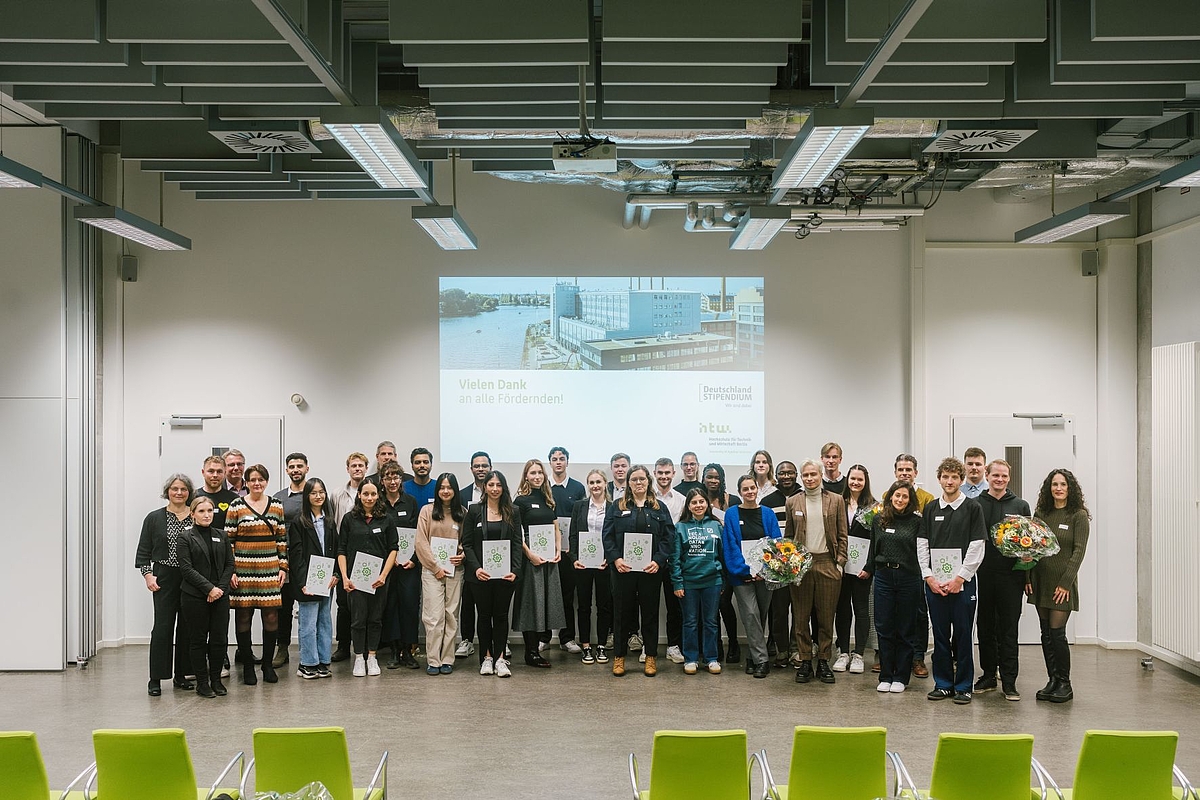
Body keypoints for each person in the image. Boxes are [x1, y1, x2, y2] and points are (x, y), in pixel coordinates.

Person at [918, 457, 986, 705]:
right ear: (939, 479)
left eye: (954, 477)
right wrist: (929, 576)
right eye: (945, 477)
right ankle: (944, 684)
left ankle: (964, 686)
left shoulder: (972, 508)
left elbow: (977, 546)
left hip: (963, 584)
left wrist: (960, 578)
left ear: (961, 479)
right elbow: (922, 544)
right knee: (939, 635)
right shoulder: (931, 509)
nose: (949, 481)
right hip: (935, 585)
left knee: (963, 635)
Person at [603, 464, 673, 677]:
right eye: (634, 480)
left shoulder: (659, 507)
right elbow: (607, 536)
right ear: (628, 483)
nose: (638, 483)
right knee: (622, 614)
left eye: (642, 479)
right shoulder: (617, 506)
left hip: (650, 570)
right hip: (623, 570)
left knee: (650, 614)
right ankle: (619, 657)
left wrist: (659, 561)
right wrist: (615, 559)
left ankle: (650, 656)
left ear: (648, 481)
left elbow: (669, 537)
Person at [1027, 468, 1091, 703]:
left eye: (1063, 484)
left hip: (1061, 585)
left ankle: (1065, 683)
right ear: (1049, 488)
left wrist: (1065, 583)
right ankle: (1052, 680)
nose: (1059, 488)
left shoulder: (1078, 515)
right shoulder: (1041, 513)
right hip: (1040, 581)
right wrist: (1028, 578)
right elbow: (1031, 548)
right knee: (1045, 634)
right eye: (1055, 484)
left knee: (1057, 634)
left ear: (1070, 488)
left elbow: (1078, 551)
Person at [786, 459, 848, 685]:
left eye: (813, 474)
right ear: (801, 478)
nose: (809, 478)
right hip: (801, 564)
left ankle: (823, 660)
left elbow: (843, 534)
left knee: (825, 617)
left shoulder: (836, 500)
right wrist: (790, 565)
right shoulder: (792, 501)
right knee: (801, 617)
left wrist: (839, 563)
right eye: (805, 475)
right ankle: (804, 660)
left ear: (821, 475)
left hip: (827, 564)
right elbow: (789, 538)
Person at [974, 459, 1031, 700]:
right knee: (985, 627)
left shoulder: (1020, 505)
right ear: (987, 476)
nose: (999, 479)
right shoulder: (975, 504)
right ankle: (988, 675)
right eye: (995, 475)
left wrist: (1028, 576)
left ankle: (1009, 681)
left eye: (1004, 476)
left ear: (1009, 478)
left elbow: (1029, 545)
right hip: (982, 575)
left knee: (1009, 629)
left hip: (1012, 577)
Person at [225, 464, 288, 685]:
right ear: (246, 482)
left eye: (261, 479)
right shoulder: (236, 505)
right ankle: (248, 668)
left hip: (269, 567)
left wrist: (283, 568)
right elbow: (228, 541)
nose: (257, 483)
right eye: (252, 479)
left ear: (267, 481)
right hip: (242, 569)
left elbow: (281, 538)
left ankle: (268, 665)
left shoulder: (276, 506)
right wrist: (230, 570)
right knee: (243, 616)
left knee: (271, 617)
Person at [135, 473, 196, 696]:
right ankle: (156, 679)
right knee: (162, 628)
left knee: (187, 628)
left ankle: (182, 675)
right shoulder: (154, 518)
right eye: (174, 489)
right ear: (167, 491)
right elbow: (143, 553)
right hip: (164, 577)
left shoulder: (196, 515)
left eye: (183, 489)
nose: (179, 493)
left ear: (189, 492)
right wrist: (148, 576)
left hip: (191, 577)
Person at [461, 470, 524, 678]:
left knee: (501, 616)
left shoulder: (513, 511)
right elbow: (467, 544)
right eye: (491, 485)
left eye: (498, 485)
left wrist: (515, 570)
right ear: (484, 487)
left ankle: (500, 659)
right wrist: (476, 568)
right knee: (484, 616)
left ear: (503, 487)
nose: (495, 489)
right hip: (480, 576)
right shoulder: (474, 511)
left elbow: (517, 543)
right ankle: (486, 658)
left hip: (505, 576)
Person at [863, 481, 923, 694]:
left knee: (906, 629)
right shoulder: (879, 519)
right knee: (884, 627)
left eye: (905, 497)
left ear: (910, 500)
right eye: (896, 495)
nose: (900, 500)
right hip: (884, 577)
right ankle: (886, 675)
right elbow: (872, 548)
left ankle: (901, 677)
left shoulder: (917, 522)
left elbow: (922, 552)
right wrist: (867, 568)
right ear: (890, 497)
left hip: (909, 577)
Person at [721, 474, 783, 679]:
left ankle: (752, 657)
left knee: (760, 616)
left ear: (757, 489)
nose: (749, 492)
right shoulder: (731, 514)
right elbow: (730, 546)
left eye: (752, 488)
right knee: (750, 614)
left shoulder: (767, 514)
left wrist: (764, 570)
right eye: (745, 489)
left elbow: (776, 544)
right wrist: (745, 571)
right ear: (739, 492)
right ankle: (762, 661)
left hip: (765, 575)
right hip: (742, 576)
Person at [337, 481, 398, 678]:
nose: (369, 498)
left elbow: (393, 549)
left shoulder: (386, 520)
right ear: (359, 496)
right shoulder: (349, 519)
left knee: (375, 619)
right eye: (366, 494)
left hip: (379, 579)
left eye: (373, 494)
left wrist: (383, 575)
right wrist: (345, 577)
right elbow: (341, 550)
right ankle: (359, 657)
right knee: (357, 620)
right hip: (355, 580)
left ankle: (372, 656)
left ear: (378, 496)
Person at [178, 495, 234, 698]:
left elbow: (229, 564)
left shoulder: (222, 535)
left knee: (219, 640)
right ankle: (203, 683)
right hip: (195, 596)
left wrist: (219, 589)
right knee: (198, 640)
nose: (206, 515)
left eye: (210, 511)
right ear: (192, 514)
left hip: (220, 596)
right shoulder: (185, 537)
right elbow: (186, 568)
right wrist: (209, 589)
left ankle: (216, 680)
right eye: (201, 511)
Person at [512, 459, 566, 668]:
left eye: (540, 473)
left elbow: (555, 528)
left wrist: (558, 549)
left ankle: (539, 647)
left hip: (549, 561)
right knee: (531, 604)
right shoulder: (521, 501)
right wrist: (529, 555)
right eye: (532, 473)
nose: (536, 476)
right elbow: (517, 534)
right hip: (531, 562)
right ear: (526, 476)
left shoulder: (547, 499)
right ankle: (531, 652)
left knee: (545, 603)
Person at [415, 472, 466, 674]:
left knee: (451, 616)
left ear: (455, 490)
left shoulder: (462, 513)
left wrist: (461, 555)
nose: (446, 491)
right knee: (433, 617)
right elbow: (421, 542)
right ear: (438, 491)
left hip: (455, 571)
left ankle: (447, 659)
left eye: (450, 488)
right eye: (442, 488)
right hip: (431, 572)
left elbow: (465, 541)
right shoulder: (427, 511)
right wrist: (435, 567)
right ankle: (433, 660)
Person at [289, 478, 339, 680]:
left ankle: (323, 661)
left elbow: (336, 550)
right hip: (308, 581)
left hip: (326, 579)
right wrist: (302, 583)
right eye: (313, 493)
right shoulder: (299, 522)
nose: (318, 496)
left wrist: (335, 574)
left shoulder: (329, 521)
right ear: (306, 496)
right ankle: (308, 663)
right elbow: (296, 555)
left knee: (324, 621)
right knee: (308, 623)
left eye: (321, 492)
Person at [672, 488, 725, 675]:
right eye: (694, 502)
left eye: (701, 501)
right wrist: (677, 583)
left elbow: (722, 555)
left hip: (713, 581)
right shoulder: (680, 527)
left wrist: (722, 581)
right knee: (690, 622)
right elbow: (675, 558)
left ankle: (711, 658)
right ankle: (691, 659)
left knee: (711, 622)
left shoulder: (716, 525)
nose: (698, 505)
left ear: (707, 504)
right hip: (688, 583)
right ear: (688, 506)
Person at [894, 453, 934, 679]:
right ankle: (895, 655)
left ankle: (918, 657)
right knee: (895, 612)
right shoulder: (888, 495)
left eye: (909, 470)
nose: (905, 473)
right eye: (901, 470)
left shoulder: (927, 498)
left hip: (918, 565)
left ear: (916, 473)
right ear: (895, 472)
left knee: (919, 612)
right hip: (895, 564)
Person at [379, 462, 422, 670]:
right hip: (386, 567)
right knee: (390, 606)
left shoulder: (411, 502)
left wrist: (413, 559)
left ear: (401, 480)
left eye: (396, 477)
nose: (393, 481)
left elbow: (418, 535)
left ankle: (408, 650)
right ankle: (394, 650)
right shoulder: (378, 503)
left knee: (409, 606)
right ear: (382, 480)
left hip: (409, 565)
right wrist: (388, 560)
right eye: (388, 477)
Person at [833, 464, 875, 675]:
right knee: (841, 608)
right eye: (852, 479)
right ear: (847, 480)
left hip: (862, 570)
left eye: (860, 479)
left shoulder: (875, 507)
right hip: (840, 567)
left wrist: (869, 567)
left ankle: (858, 654)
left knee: (861, 609)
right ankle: (842, 651)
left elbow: (877, 540)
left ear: (865, 482)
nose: (855, 483)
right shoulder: (836, 503)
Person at [569, 469, 613, 665]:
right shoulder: (579, 506)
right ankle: (586, 646)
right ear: (588, 485)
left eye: (598, 482)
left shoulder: (614, 507)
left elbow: (616, 537)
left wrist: (610, 558)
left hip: (605, 564)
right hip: (583, 564)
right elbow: (572, 535)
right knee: (584, 606)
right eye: (591, 482)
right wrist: (574, 558)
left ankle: (602, 645)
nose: (595, 486)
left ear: (605, 484)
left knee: (604, 606)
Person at [271, 452, 309, 669]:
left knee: (308, 605)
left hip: (307, 559)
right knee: (283, 607)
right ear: (286, 470)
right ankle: (282, 648)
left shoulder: (314, 493)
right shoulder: (278, 497)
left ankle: (309, 650)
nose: (296, 470)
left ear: (307, 468)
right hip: (283, 560)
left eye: (300, 466)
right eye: (292, 466)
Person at [331, 452, 369, 663]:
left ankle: (366, 648)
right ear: (348, 469)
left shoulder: (373, 491)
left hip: (367, 555)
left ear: (366, 468)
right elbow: (332, 522)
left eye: (360, 465)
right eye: (353, 465)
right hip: (344, 553)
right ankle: (343, 646)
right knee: (344, 603)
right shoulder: (338, 494)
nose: (357, 469)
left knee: (367, 604)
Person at [548, 446, 586, 654]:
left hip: (569, 550)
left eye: (562, 458)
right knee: (546, 592)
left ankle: (567, 637)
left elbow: (581, 519)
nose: (558, 462)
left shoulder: (578, 488)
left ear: (568, 461)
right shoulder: (543, 486)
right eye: (554, 459)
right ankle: (544, 637)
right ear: (550, 463)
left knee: (567, 595)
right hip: (547, 551)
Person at [703, 463, 741, 663]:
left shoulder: (732, 500)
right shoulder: (698, 499)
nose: (713, 480)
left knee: (724, 603)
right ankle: (715, 646)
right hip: (706, 559)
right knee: (711, 606)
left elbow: (739, 529)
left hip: (728, 560)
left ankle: (733, 643)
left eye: (717, 477)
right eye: (709, 476)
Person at [455, 451, 492, 660]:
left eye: (484, 465)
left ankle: (499, 641)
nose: (480, 469)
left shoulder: (499, 491)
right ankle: (467, 639)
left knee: (494, 603)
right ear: (471, 469)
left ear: (490, 467)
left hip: (496, 555)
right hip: (470, 554)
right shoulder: (462, 494)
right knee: (468, 600)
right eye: (477, 466)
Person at [653, 457, 687, 665]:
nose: (664, 476)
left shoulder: (681, 500)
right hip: (651, 559)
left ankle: (673, 646)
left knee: (674, 605)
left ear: (673, 474)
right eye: (660, 473)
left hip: (674, 560)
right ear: (654, 474)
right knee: (649, 604)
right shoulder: (648, 499)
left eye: (667, 473)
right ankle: (649, 646)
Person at [195, 455, 237, 530]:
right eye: (211, 471)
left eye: (219, 472)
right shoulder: (193, 497)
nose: (215, 475)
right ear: (203, 472)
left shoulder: (234, 499)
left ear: (225, 473)